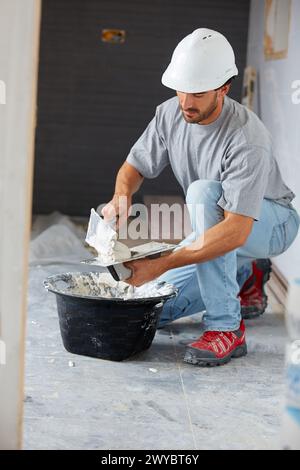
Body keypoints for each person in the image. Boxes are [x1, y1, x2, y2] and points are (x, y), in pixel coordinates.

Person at [102, 29, 300, 367]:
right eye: (181, 90)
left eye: (197, 93)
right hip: (219, 222)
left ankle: (226, 328)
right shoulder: (170, 114)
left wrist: (162, 263)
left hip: (270, 223)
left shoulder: (245, 137)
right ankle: (246, 272)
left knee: (203, 192)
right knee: (152, 309)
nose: (186, 102)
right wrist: (122, 195)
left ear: (223, 89)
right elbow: (134, 166)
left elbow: (235, 232)